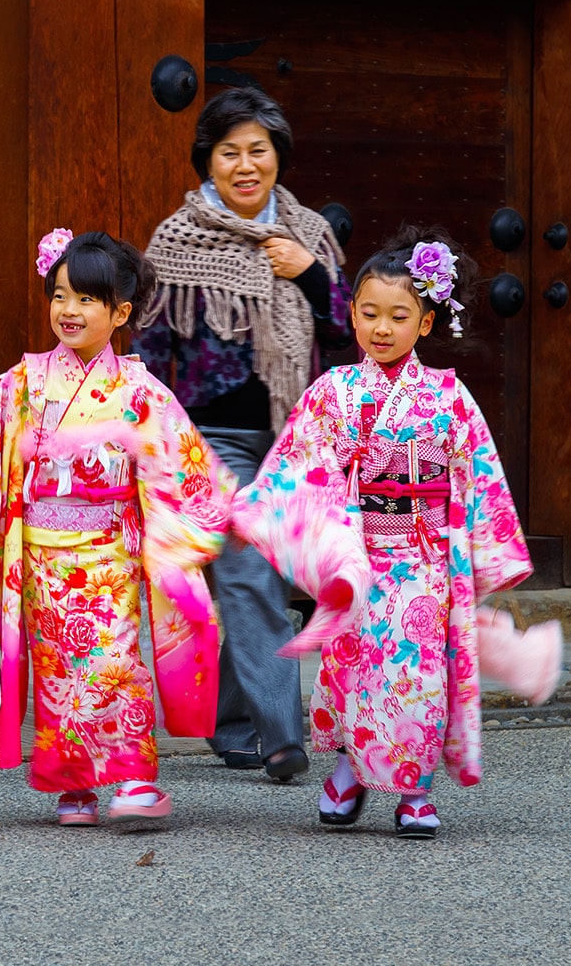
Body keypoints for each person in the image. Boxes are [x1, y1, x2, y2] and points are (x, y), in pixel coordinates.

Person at [232, 226, 534, 839]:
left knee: (417, 674)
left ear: (425, 324)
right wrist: (258, 512)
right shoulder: (335, 392)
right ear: (352, 313)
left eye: (400, 316)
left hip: (425, 557)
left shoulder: (450, 398)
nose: (382, 328)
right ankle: (348, 766)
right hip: (359, 554)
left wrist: (486, 554)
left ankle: (413, 790)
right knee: (358, 667)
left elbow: (480, 477)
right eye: (369, 313)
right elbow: (298, 464)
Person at [0, 230, 230, 826]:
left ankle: (130, 779)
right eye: (59, 296)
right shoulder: (22, 383)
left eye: (85, 300)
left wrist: (182, 529)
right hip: (42, 559)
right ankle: (73, 785)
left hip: (110, 557)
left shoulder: (139, 391)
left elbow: (181, 467)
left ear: (120, 313)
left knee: (112, 663)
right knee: (57, 671)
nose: (68, 311)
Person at [131, 86, 349, 781]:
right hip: (212, 443)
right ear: (209, 161)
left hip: (295, 439)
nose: (246, 165)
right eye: (231, 153)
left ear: (278, 157)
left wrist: (310, 274)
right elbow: (152, 349)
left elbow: (353, 331)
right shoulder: (176, 238)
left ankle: (232, 723)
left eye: (259, 150)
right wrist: (157, 450)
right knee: (251, 574)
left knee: (263, 582)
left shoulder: (310, 235)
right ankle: (285, 737)